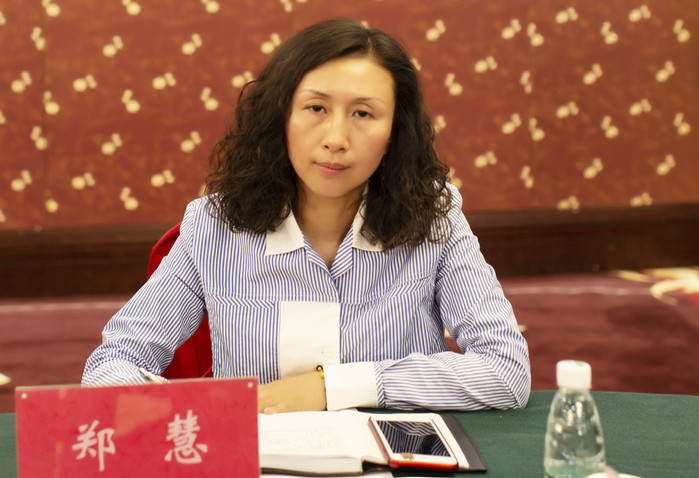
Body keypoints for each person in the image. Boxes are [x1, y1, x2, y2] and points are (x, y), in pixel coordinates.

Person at [83, 18, 530, 413]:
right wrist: (199, 410)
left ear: (395, 133)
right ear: (281, 117)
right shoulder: (215, 226)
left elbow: (505, 370)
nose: (336, 138)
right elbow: (110, 365)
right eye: (316, 108)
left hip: (394, 460)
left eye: (363, 114)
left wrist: (330, 388)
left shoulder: (433, 218)